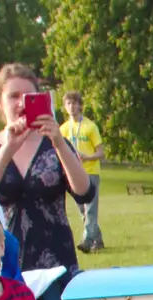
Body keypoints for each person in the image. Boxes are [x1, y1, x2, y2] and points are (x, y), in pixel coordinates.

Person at [0, 63, 91, 283]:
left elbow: (84, 192)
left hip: (55, 260)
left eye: (28, 97)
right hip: (4, 263)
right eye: (13, 96)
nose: (20, 103)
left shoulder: (55, 143)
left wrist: (59, 143)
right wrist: (8, 149)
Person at [60, 90, 105, 253]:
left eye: (75, 103)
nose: (72, 107)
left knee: (91, 209)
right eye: (68, 103)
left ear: (80, 105)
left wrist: (88, 157)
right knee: (82, 210)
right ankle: (97, 239)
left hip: (90, 172)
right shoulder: (63, 129)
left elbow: (101, 152)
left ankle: (87, 241)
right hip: (73, 175)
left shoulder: (90, 127)